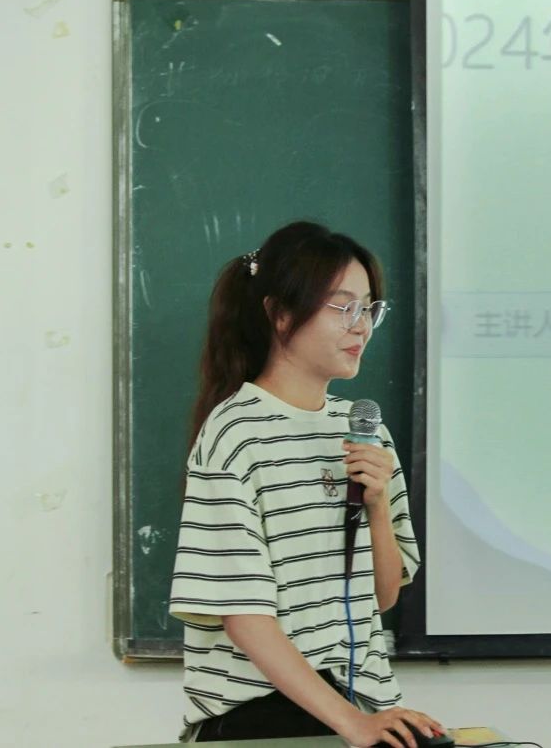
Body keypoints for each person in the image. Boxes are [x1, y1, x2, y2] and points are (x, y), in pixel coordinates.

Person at [169, 221, 443, 747]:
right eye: (343, 307)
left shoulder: (363, 431)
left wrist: (378, 506)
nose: (361, 326)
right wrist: (351, 723)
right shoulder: (236, 433)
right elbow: (243, 617)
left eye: (369, 309)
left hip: (358, 699)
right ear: (280, 313)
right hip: (261, 714)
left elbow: (383, 595)